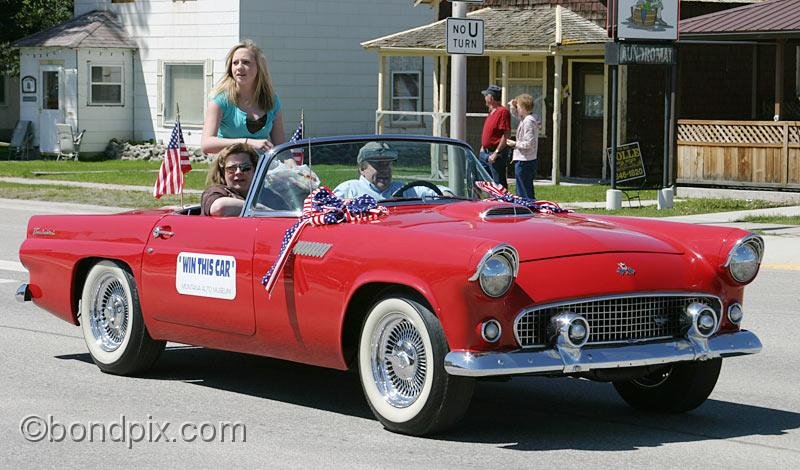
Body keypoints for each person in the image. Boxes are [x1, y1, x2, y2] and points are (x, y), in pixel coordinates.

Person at [201, 40, 285, 155]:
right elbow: (206, 144)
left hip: (261, 170)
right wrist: (247, 143)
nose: (239, 67)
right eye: (235, 63)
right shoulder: (220, 101)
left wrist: (298, 170)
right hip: (229, 168)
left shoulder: (272, 102)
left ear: (259, 67)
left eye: (246, 62)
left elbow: (282, 149)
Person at [334, 142, 433, 200]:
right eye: (378, 165)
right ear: (362, 169)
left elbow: (437, 193)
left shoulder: (403, 189)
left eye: (388, 164)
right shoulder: (349, 190)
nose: (384, 170)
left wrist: (446, 192)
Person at [201, 143, 258, 216]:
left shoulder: (264, 193)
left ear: (255, 170)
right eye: (231, 168)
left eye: (246, 168)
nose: (238, 172)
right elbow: (219, 208)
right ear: (223, 172)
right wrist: (261, 210)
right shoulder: (215, 192)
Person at [506, 93, 539, 199]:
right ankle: (527, 207)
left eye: (519, 107)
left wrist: (515, 144)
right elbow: (516, 114)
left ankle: (528, 208)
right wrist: (512, 105)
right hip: (526, 159)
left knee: (524, 190)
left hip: (525, 160)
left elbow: (529, 143)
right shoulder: (528, 118)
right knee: (523, 188)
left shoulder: (528, 122)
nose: (517, 109)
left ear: (524, 108)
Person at [478, 84, 512, 188]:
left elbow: (506, 134)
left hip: (496, 155)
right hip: (485, 153)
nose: (484, 98)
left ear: (491, 97)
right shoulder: (491, 112)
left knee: (498, 184)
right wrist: (483, 147)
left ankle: (503, 203)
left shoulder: (503, 112)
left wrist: (496, 152)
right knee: (483, 182)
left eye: (486, 95)